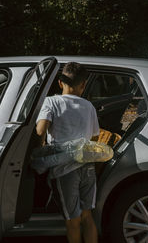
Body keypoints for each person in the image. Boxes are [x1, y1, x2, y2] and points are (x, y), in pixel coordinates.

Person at [36, 62, 99, 243]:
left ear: (59, 82)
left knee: (73, 220)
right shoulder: (89, 107)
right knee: (87, 216)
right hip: (87, 167)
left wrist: (40, 156)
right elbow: (94, 139)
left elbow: (40, 132)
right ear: (83, 84)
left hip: (64, 171)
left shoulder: (51, 102)